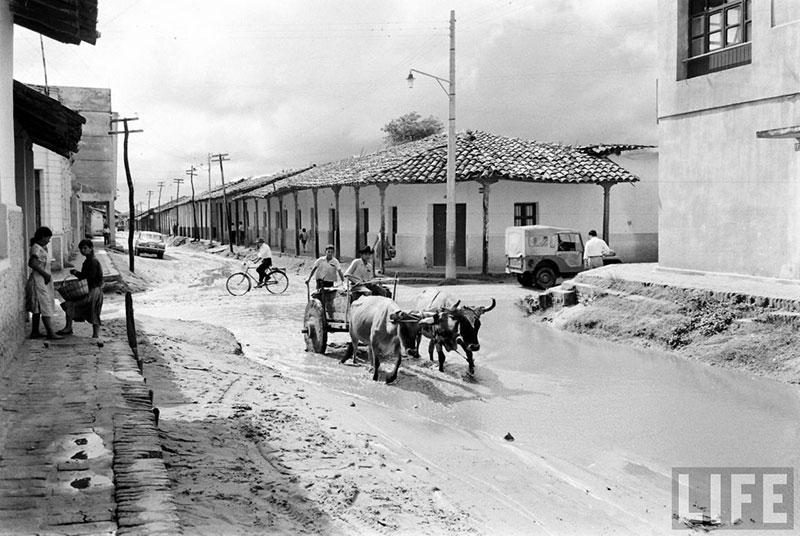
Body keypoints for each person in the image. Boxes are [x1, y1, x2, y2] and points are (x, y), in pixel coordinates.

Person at [58, 239, 104, 338]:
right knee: (94, 311)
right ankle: (93, 334)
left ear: (91, 248)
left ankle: (69, 328)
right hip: (93, 290)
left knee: (73, 305)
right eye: (81, 249)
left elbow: (89, 278)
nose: (83, 251)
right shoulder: (88, 261)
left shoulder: (93, 262)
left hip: (93, 291)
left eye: (85, 248)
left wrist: (76, 273)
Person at [25, 227, 62, 340]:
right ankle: (50, 332)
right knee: (45, 305)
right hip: (38, 280)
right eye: (48, 238)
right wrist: (45, 274)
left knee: (38, 307)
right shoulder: (36, 248)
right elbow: (32, 263)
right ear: (42, 237)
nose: (49, 240)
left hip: (44, 280)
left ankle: (35, 331)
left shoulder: (43, 248)